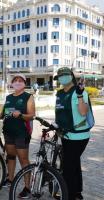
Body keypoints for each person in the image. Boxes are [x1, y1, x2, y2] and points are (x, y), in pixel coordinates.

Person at [0, 74, 35, 198]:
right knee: (10, 157)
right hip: (8, 132)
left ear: (24, 83)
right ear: (12, 83)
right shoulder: (8, 97)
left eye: (20, 80)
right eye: (15, 80)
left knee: (23, 160)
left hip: (21, 133)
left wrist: (21, 114)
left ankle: (27, 187)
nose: (17, 82)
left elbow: (32, 115)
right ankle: (10, 179)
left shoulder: (28, 97)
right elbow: (1, 114)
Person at [54, 67, 94, 200]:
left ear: (71, 76)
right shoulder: (59, 93)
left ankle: (68, 195)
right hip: (65, 135)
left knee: (68, 166)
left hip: (79, 136)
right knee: (74, 162)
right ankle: (77, 192)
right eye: (60, 76)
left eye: (65, 75)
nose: (62, 78)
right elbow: (59, 113)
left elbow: (83, 112)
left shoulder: (79, 92)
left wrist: (80, 95)